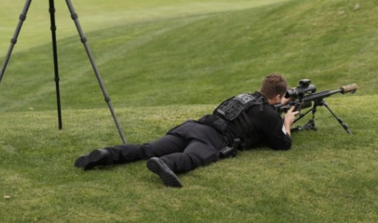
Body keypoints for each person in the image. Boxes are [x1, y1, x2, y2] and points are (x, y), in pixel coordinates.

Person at [74, 73, 298, 188]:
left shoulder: (244, 96)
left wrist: (278, 107)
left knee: (147, 148)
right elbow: (283, 144)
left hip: (192, 126)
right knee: (194, 157)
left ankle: (107, 154)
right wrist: (286, 121)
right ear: (278, 96)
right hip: (213, 137)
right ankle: (166, 163)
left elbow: (253, 112)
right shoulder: (268, 114)